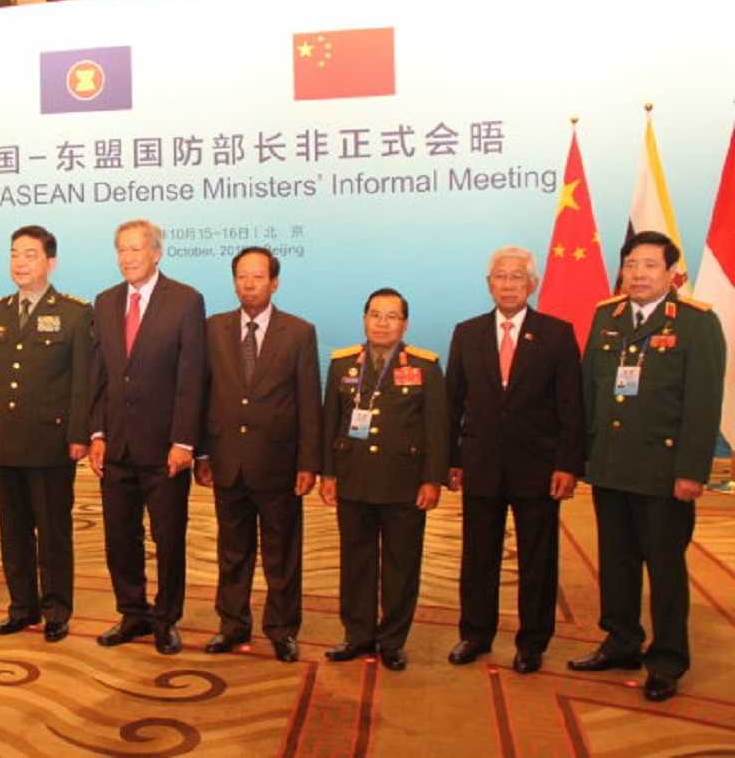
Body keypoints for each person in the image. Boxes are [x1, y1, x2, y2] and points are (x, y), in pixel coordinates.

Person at [569, 231, 725, 702]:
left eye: (650, 265)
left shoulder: (696, 322)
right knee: (616, 563)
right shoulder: (607, 316)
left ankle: (667, 660)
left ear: (672, 273)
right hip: (610, 466)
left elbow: (703, 404)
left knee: (665, 569)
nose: (638, 274)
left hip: (663, 472)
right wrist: (583, 458)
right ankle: (621, 642)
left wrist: (691, 471)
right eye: (631, 265)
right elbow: (589, 392)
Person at [445, 246, 585, 674]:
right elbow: (452, 403)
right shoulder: (467, 333)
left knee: (537, 559)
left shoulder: (557, 334)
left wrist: (567, 464)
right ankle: (475, 634)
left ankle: (532, 642)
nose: (508, 284)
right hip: (481, 464)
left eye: (517, 276)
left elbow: (571, 407)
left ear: (533, 284)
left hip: (538, 469)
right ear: (489, 285)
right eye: (500, 277)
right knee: (478, 555)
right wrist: (452, 458)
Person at [0, 226, 92, 642]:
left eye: (30, 255)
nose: (20, 263)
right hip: (6, 440)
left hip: (51, 443)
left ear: (51, 262)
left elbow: (82, 382)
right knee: (13, 531)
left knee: (53, 533)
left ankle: (56, 610)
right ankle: (22, 607)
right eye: (14, 254)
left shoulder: (75, 313)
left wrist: (79, 434)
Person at [194, 247, 321, 663]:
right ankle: (232, 625)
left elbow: (308, 402)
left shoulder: (299, 332)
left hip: (278, 463)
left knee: (281, 553)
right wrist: (202, 453)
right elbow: (201, 394)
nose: (249, 285)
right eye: (242, 277)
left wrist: (308, 462)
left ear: (274, 283)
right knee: (232, 551)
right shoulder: (213, 329)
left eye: (258, 277)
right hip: (227, 459)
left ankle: (282, 629)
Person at [90, 219, 206, 655]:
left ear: (156, 253)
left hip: (164, 449)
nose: (127, 258)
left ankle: (165, 618)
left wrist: (184, 441)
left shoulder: (186, 300)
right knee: (120, 537)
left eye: (136, 249)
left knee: (168, 538)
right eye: (121, 250)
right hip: (115, 445)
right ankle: (132, 613)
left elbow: (191, 377)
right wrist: (97, 432)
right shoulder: (105, 301)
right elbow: (99, 373)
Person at [320, 288, 447, 671]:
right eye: (375, 315)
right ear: (364, 319)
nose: (382, 323)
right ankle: (357, 635)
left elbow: (437, 428)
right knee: (355, 562)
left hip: (403, 483)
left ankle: (392, 641)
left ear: (404, 324)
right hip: (353, 479)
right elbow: (330, 423)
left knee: (400, 565)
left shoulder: (425, 366)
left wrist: (432, 480)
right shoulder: (343, 364)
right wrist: (328, 473)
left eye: (392, 316)